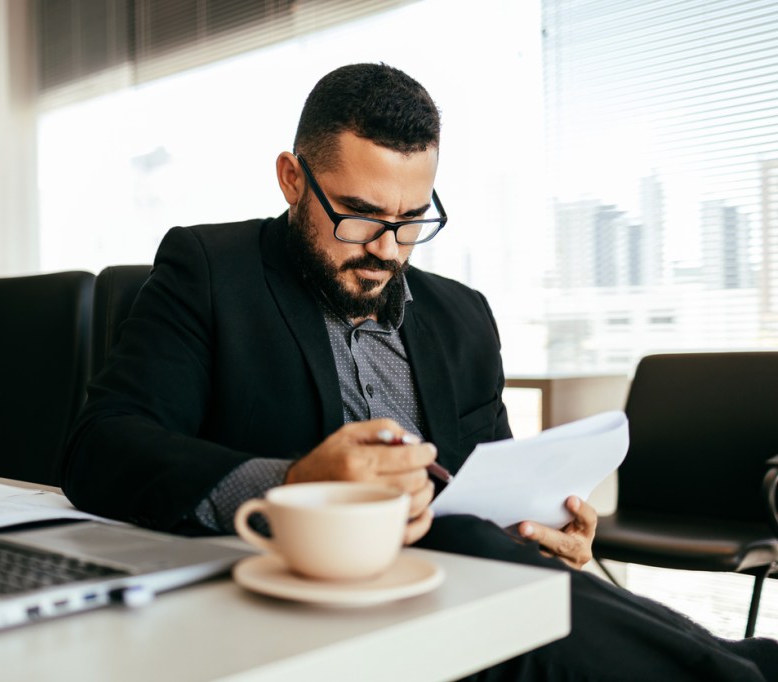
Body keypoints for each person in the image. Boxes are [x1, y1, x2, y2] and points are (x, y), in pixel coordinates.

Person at [62, 63, 777, 680]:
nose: (387, 247)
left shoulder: (463, 317)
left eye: (411, 219)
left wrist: (549, 531)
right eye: (359, 215)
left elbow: (494, 486)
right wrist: (294, 485)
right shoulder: (209, 273)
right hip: (306, 606)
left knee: (483, 557)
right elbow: (104, 445)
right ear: (291, 179)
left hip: (468, 596)